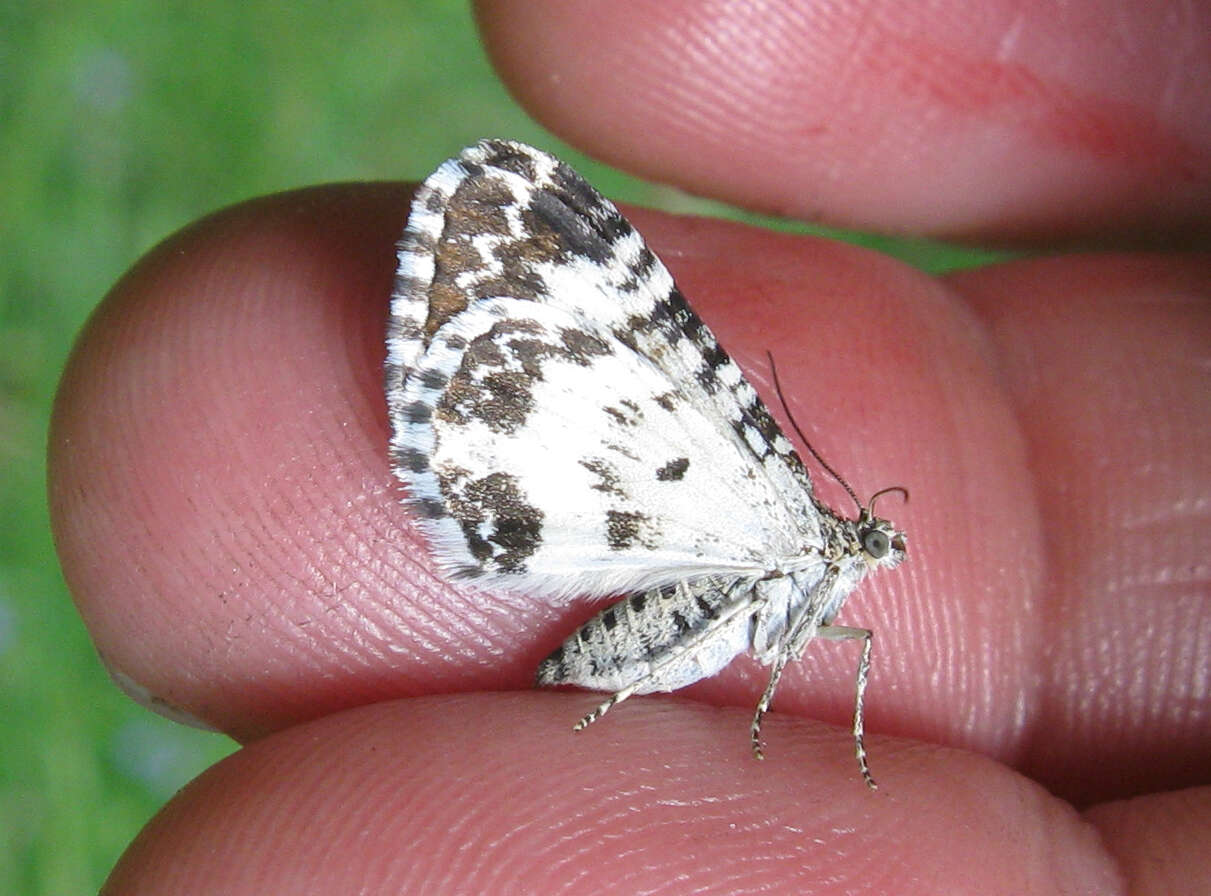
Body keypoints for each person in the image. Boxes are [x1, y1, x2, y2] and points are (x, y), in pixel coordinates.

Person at [50, 2, 1210, 891]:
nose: (863, 557)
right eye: (861, 541)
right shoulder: (794, 532)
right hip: (636, 586)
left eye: (864, 543)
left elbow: (813, 640)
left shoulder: (826, 586)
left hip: (661, 593)